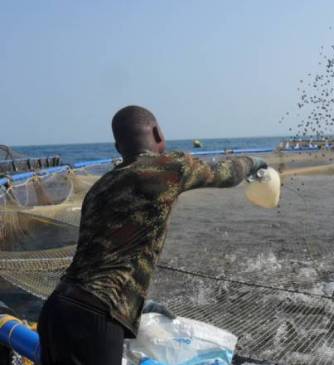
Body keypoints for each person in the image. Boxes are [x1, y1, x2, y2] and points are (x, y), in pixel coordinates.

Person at [37, 105, 267, 365]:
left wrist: (135, 303)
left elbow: (101, 255)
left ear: (117, 147)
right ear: (158, 133)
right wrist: (253, 163)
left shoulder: (101, 187)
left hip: (57, 308)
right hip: (97, 315)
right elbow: (227, 174)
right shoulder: (170, 167)